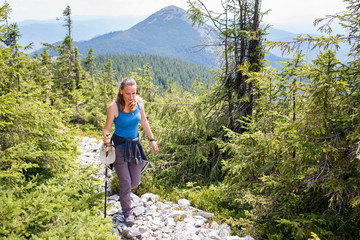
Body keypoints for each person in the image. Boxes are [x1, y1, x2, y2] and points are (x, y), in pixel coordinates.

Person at [103, 77, 158, 224]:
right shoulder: (113, 107)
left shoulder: (139, 102)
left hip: (135, 146)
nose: (131, 97)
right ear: (121, 92)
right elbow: (107, 129)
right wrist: (106, 137)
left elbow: (144, 121)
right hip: (119, 148)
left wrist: (152, 140)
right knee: (126, 183)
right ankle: (127, 213)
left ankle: (124, 191)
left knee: (135, 182)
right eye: (128, 93)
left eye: (133, 93)